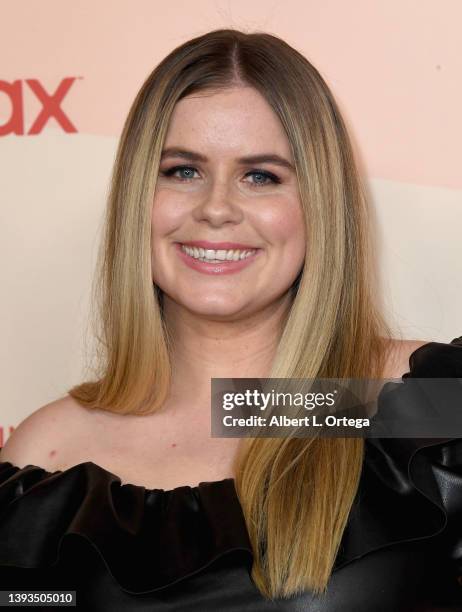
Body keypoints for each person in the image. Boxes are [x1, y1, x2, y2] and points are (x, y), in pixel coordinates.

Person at [0, 28, 461, 611]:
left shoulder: (424, 405)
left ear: (320, 203)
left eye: (261, 175)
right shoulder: (49, 455)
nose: (216, 208)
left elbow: (260, 405)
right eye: (182, 170)